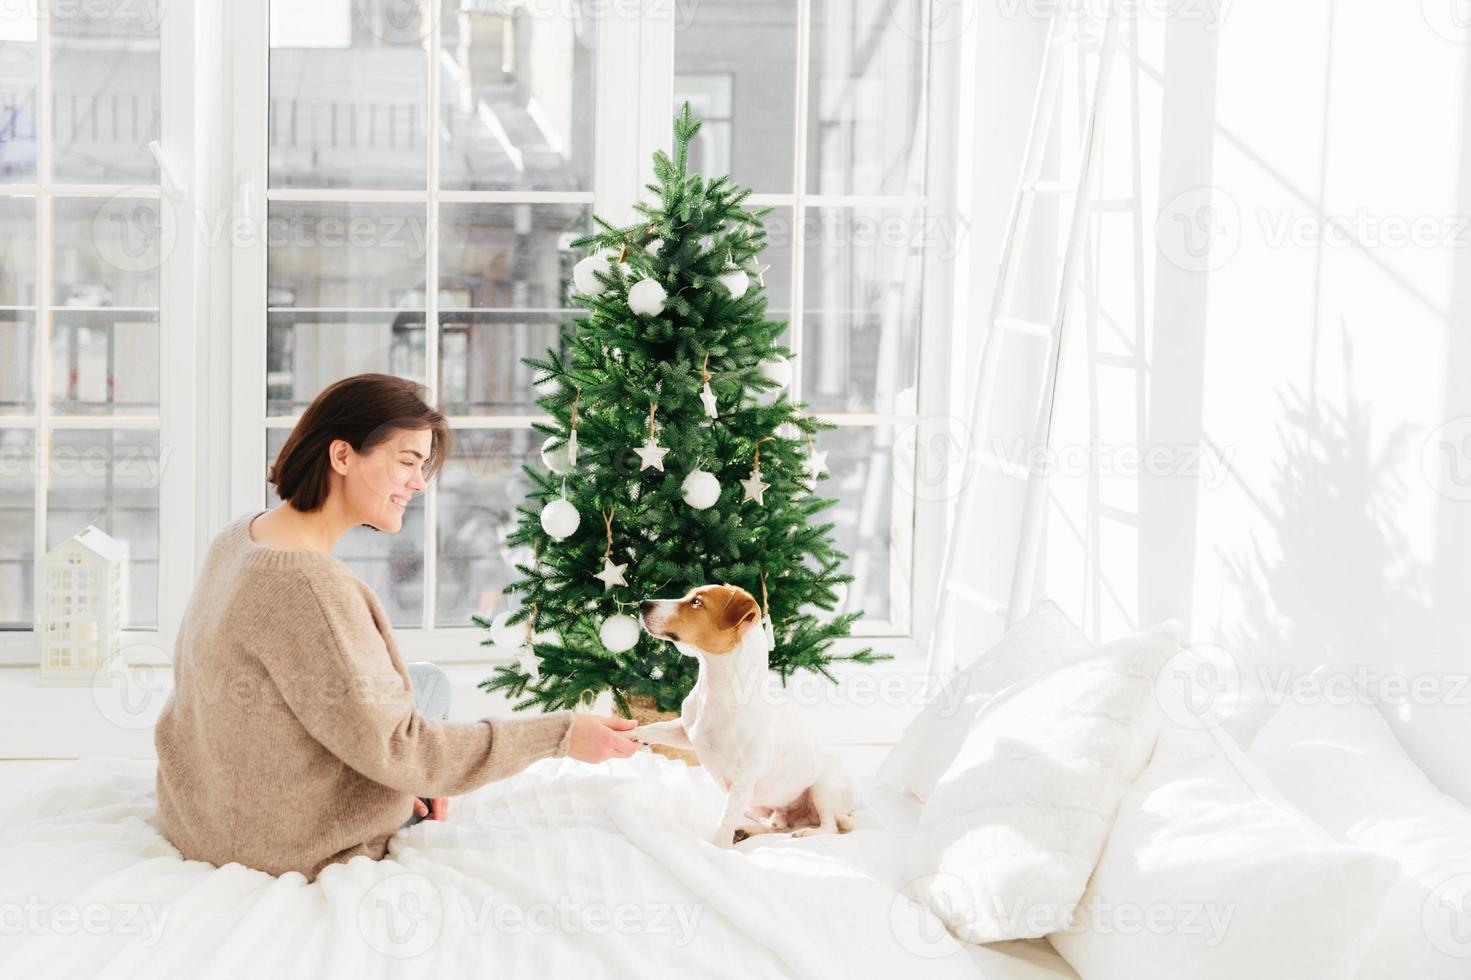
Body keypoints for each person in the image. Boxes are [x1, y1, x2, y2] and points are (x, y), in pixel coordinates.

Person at [152, 373, 641, 882]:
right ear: (342, 456)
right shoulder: (308, 586)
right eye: (406, 462)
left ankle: (422, 781)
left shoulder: (241, 536)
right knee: (418, 724)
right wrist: (562, 735)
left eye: (422, 466)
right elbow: (400, 746)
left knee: (427, 683)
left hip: (196, 811)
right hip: (281, 841)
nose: (419, 482)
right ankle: (422, 785)